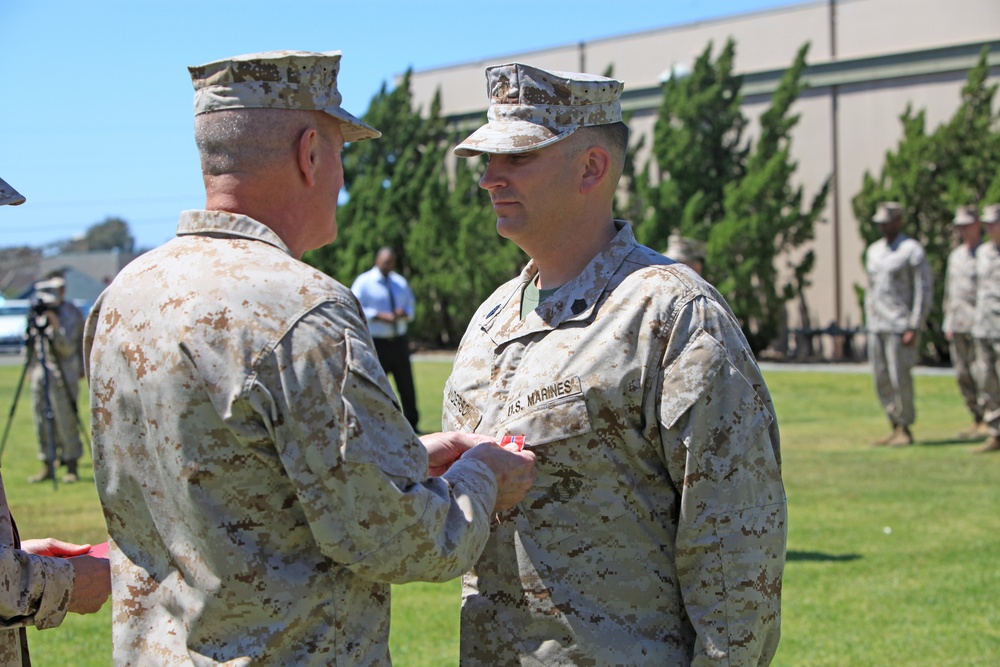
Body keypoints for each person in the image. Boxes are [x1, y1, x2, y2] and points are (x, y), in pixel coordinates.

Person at [83, 51, 536, 665]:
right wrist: (481, 475)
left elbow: (229, 474)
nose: (342, 180)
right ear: (311, 154)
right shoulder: (304, 308)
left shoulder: (124, 296)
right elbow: (399, 538)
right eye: (340, 155)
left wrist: (404, 459)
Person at [444, 63, 786, 665]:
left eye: (516, 158)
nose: (490, 179)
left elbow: (734, 543)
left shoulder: (670, 313)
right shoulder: (490, 321)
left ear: (592, 167)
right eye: (486, 161)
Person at [0, 175, 111, 666]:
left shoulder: (68, 315)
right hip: (45, 377)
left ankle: (65, 462)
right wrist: (63, 583)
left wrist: (17, 554)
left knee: (65, 427)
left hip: (64, 377)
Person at [864, 201, 933, 447]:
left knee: (899, 377)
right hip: (877, 325)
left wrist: (915, 325)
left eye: (887, 221)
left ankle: (905, 426)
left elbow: (922, 289)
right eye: (880, 222)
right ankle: (893, 423)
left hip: (900, 325)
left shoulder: (911, 250)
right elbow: (870, 292)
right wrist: (868, 321)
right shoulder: (873, 251)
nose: (883, 226)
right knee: (881, 377)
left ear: (898, 221)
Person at [351, 247, 420, 429]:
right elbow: (354, 307)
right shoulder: (364, 282)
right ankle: (373, 422)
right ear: (377, 261)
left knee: (406, 383)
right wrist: (378, 315)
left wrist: (404, 313)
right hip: (377, 342)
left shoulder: (399, 282)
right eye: (385, 262)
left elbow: (411, 306)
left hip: (399, 339)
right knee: (376, 383)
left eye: (391, 262)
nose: (388, 266)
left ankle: (412, 423)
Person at [26, 275, 85, 484]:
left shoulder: (70, 312)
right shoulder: (38, 311)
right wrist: (30, 367)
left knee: (65, 418)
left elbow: (66, 347)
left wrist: (54, 322)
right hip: (41, 373)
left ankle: (71, 464)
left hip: (64, 373)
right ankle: (47, 463)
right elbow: (31, 342)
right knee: (40, 418)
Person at [943, 205, 986, 439]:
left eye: (967, 225)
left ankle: (989, 417)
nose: (963, 230)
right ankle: (975, 416)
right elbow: (950, 292)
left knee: (982, 373)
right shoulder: (956, 256)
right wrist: (947, 321)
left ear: (977, 225)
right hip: (958, 323)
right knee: (962, 373)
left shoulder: (987, 254)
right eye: (960, 226)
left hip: (979, 325)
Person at [971, 203, 1000, 453]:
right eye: (987, 223)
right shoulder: (982, 253)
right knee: (986, 380)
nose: (989, 228)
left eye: (994, 223)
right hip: (983, 327)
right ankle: (995, 432)